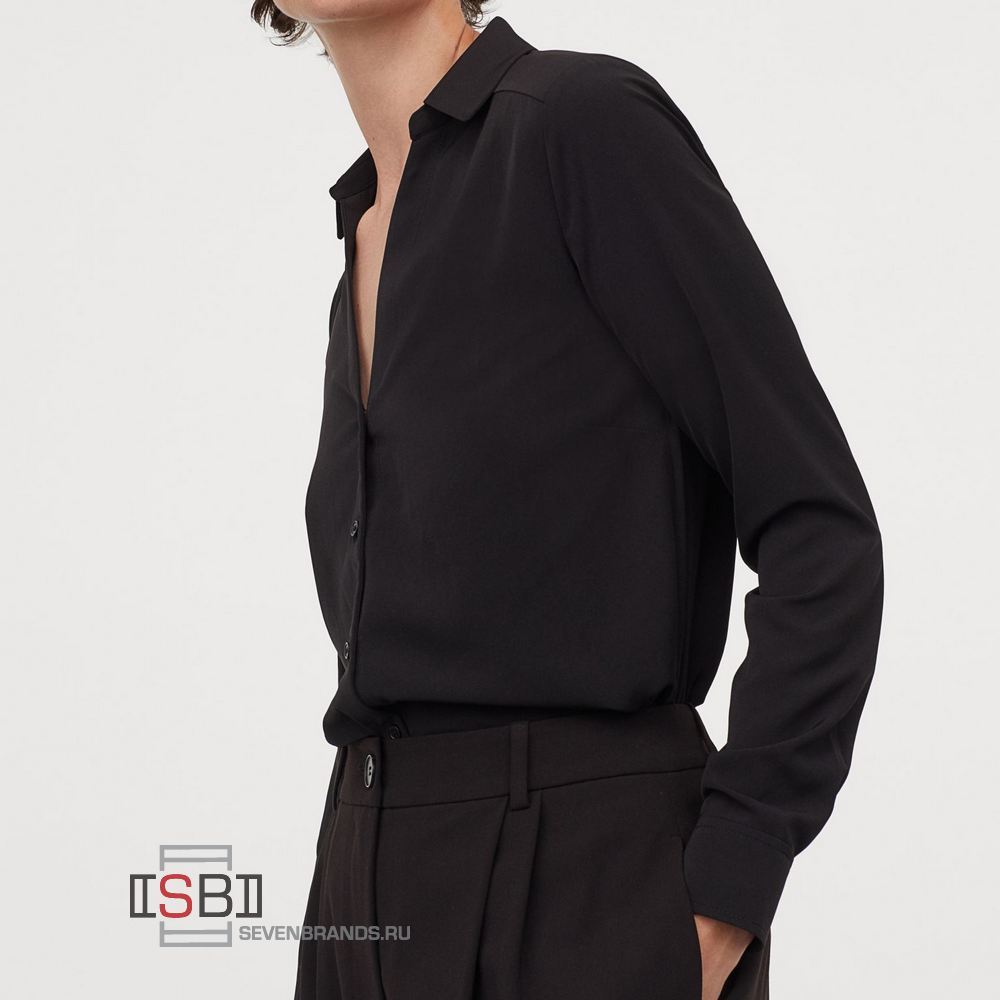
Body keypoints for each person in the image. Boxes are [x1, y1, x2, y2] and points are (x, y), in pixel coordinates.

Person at [251, 3, 885, 998]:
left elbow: (818, 525)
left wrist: (733, 876)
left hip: (588, 881)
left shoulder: (579, 126)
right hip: (362, 879)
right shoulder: (367, 224)